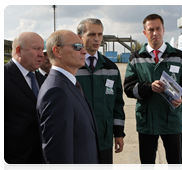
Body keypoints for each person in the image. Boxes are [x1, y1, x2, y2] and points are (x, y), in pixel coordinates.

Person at [124, 14, 182, 170]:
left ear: (163, 30)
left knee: (176, 164)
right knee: (147, 164)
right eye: (151, 29)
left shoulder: (179, 57)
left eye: (158, 29)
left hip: (172, 120)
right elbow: (128, 88)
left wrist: (181, 97)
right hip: (147, 120)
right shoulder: (135, 58)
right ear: (145, 33)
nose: (155, 33)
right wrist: (148, 88)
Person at [37, 30, 100, 170]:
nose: (84, 51)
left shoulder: (67, 84)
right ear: (57, 51)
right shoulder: (56, 91)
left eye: (82, 46)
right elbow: (57, 156)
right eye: (77, 46)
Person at [76, 18, 125, 170]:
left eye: (100, 34)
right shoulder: (72, 67)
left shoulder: (111, 68)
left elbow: (117, 103)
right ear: (80, 37)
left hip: (104, 138)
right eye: (91, 34)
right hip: (78, 138)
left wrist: (118, 133)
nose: (97, 39)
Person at [4, 32, 46, 170]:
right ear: (18, 51)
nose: (41, 54)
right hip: (14, 161)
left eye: (42, 49)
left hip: (42, 159)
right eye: (36, 49)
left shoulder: (43, 79)